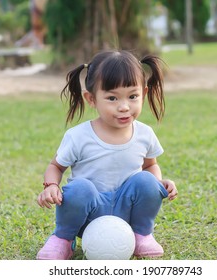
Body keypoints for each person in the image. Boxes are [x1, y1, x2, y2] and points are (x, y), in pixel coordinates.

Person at [36, 49, 178, 260]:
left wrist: (159, 183)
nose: (124, 107)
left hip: (127, 211)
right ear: (91, 99)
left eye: (133, 96)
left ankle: (141, 234)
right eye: (112, 98)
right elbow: (56, 166)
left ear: (144, 94)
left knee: (146, 181)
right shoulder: (79, 136)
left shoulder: (144, 134)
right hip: (88, 214)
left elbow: (150, 165)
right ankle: (63, 239)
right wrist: (51, 186)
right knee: (80, 188)